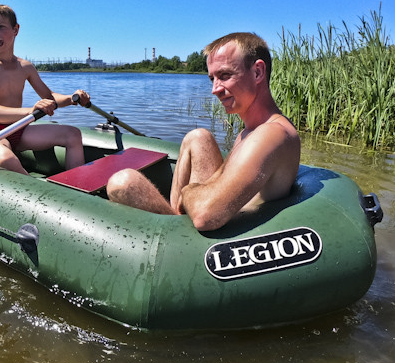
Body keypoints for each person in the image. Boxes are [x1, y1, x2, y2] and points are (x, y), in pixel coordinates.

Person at [107, 32, 301, 232]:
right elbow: (221, 181)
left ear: (258, 72)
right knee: (198, 137)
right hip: (217, 218)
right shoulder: (251, 131)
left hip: (223, 238)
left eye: (225, 76)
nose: (215, 89)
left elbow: (205, 216)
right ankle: (174, 219)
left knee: (123, 183)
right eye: (212, 79)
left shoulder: (271, 134)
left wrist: (188, 191)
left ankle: (171, 231)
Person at [0, 2, 90, 174]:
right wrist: (31, 111)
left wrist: (72, 98)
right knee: (6, 160)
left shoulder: (25, 67)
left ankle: (78, 187)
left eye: (0, 27)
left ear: (16, 30)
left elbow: (49, 96)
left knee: (73, 134)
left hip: (18, 128)